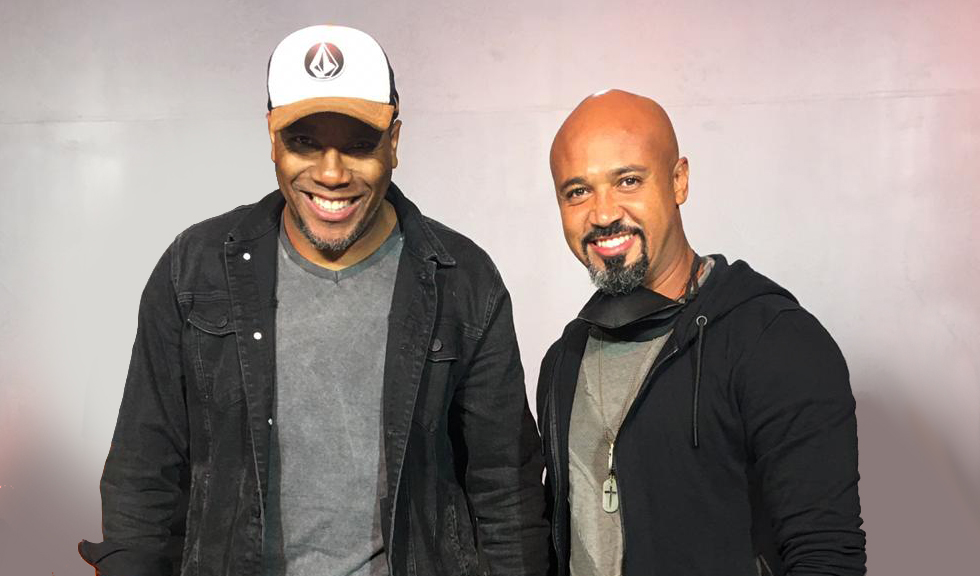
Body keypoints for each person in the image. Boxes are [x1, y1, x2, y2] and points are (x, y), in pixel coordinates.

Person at [79, 25, 548, 576]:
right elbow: (144, 471)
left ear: (394, 142)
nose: (331, 174)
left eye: (358, 144)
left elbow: (505, 490)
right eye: (304, 141)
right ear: (272, 139)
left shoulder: (462, 280)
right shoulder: (195, 269)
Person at [536, 89, 866, 576]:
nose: (603, 214)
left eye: (628, 181)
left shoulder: (776, 341)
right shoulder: (564, 360)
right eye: (578, 191)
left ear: (679, 181)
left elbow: (826, 556)